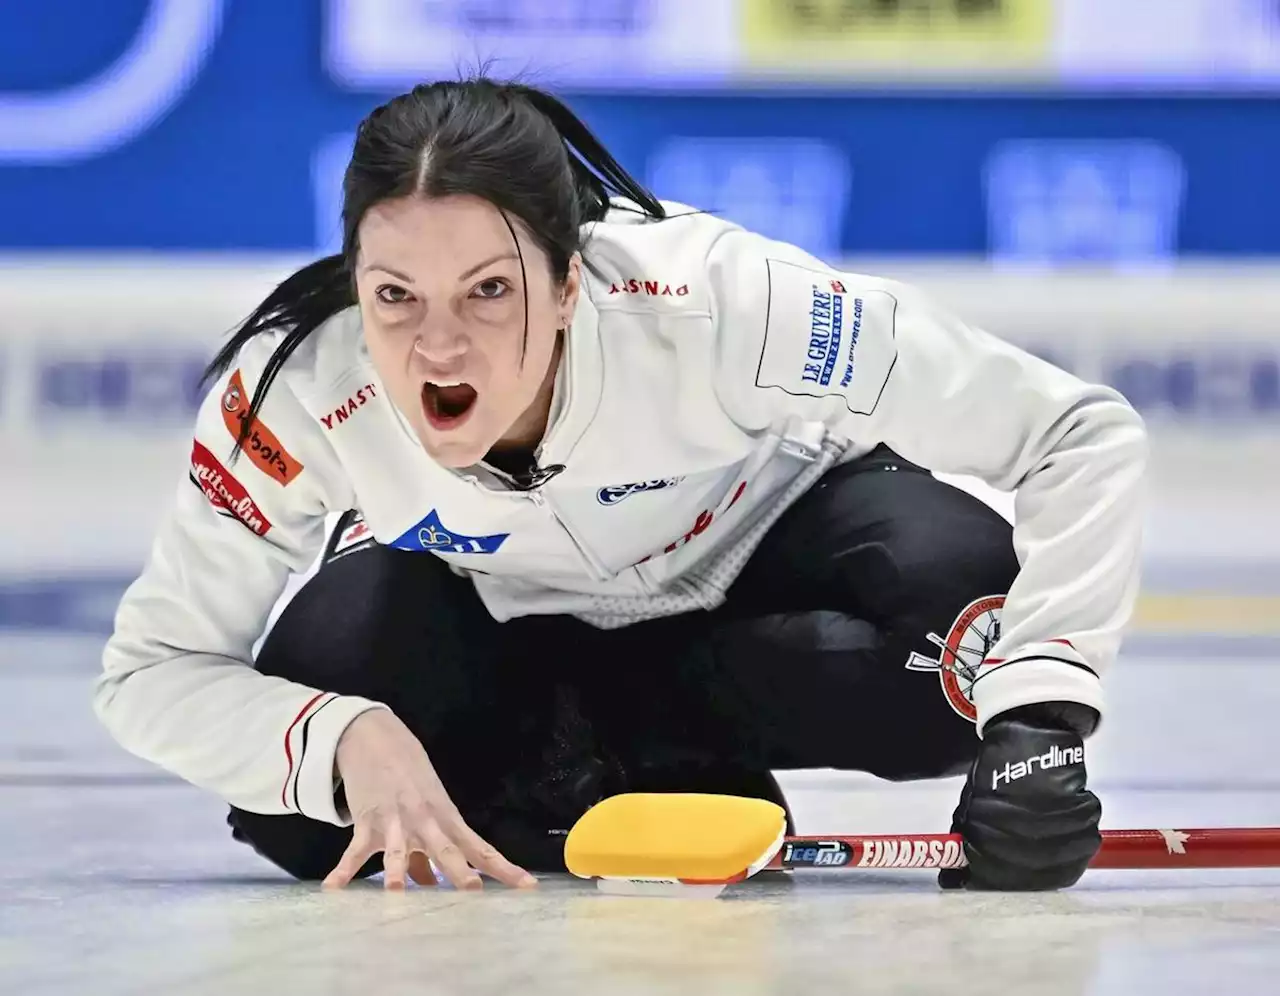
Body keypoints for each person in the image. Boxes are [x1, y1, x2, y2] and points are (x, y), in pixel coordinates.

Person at [94, 77, 1147, 894]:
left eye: (490, 290)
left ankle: (649, 741)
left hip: (762, 548)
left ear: (567, 283)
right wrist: (343, 741)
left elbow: (1074, 430)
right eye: (393, 296)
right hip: (486, 613)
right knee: (302, 816)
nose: (438, 345)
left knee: (963, 639)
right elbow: (149, 671)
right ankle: (617, 757)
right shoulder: (296, 389)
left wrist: (1039, 726)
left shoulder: (721, 302)